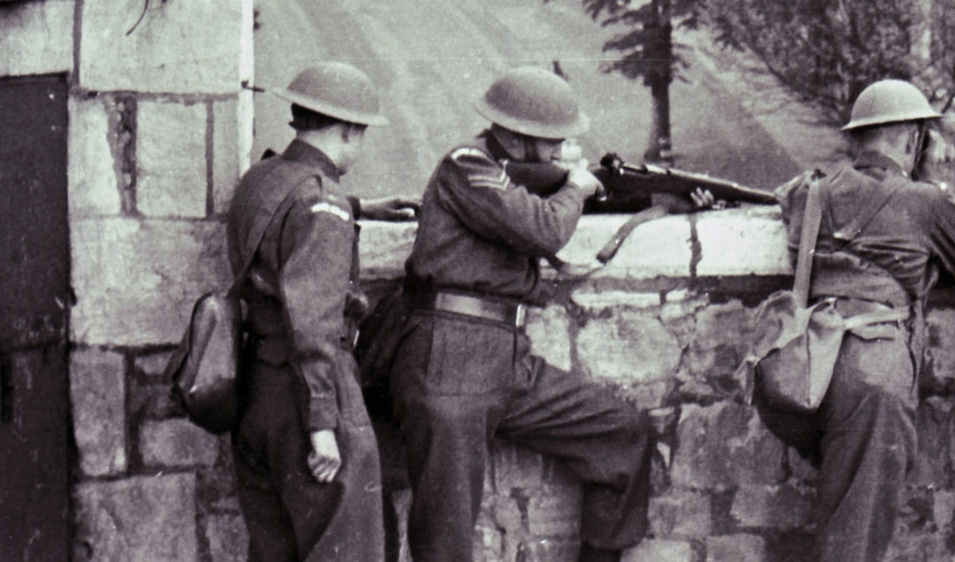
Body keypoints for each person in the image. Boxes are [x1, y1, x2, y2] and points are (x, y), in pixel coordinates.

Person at [389, 67, 651, 562]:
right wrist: (575, 186)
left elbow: (548, 208)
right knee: (444, 540)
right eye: (549, 142)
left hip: (506, 357)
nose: (558, 152)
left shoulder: (512, 179)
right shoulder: (467, 164)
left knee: (622, 434)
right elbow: (544, 230)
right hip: (449, 352)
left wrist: (667, 196)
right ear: (511, 135)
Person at [759, 79, 955, 562]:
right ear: (909, 137)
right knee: (857, 535)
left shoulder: (809, 190)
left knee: (842, 515)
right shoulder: (926, 202)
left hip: (807, 363)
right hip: (874, 369)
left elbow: (779, 203)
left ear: (857, 138)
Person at [229, 62, 393, 562]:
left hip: (257, 387)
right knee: (345, 549)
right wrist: (323, 423)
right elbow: (314, 322)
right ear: (347, 131)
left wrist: (359, 206)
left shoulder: (263, 177)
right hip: (311, 395)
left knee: (275, 549)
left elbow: (282, 222)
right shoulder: (323, 203)